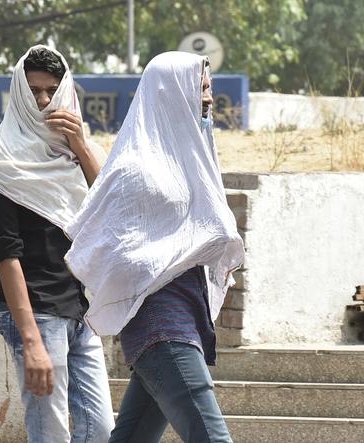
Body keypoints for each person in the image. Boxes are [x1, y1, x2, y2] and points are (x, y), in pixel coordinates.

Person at [64, 52, 245, 443]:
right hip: (161, 327)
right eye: (201, 88)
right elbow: (112, 243)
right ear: (171, 91)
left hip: (184, 319)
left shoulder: (191, 160)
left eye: (209, 88)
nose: (208, 98)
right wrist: (165, 259)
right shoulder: (135, 169)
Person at [0, 45, 114, 443]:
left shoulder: (77, 156)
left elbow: (111, 208)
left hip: (79, 310)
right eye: (33, 90)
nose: (42, 101)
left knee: (101, 429)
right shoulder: (0, 161)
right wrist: (32, 340)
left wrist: (82, 146)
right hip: (36, 315)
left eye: (51, 90)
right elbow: (5, 251)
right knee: (51, 434)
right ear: (18, 92)